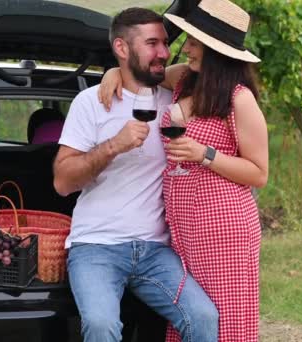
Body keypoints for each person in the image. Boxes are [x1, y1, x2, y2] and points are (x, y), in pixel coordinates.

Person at [98, 0, 269, 341]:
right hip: (183, 229)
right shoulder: (185, 80)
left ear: (214, 50)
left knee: (224, 320)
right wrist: (114, 71)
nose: (185, 47)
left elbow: (259, 173)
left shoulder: (239, 99)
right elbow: (144, 73)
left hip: (225, 230)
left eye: (193, 42)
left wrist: (204, 154)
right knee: (189, 319)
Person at [53, 7, 218, 342]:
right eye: (152, 43)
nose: (163, 52)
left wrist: (117, 71)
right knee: (102, 326)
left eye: (165, 43)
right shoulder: (91, 103)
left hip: (155, 250)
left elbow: (215, 71)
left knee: (203, 318)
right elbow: (62, 181)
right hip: (95, 246)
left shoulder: (176, 100)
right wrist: (114, 145)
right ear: (122, 48)